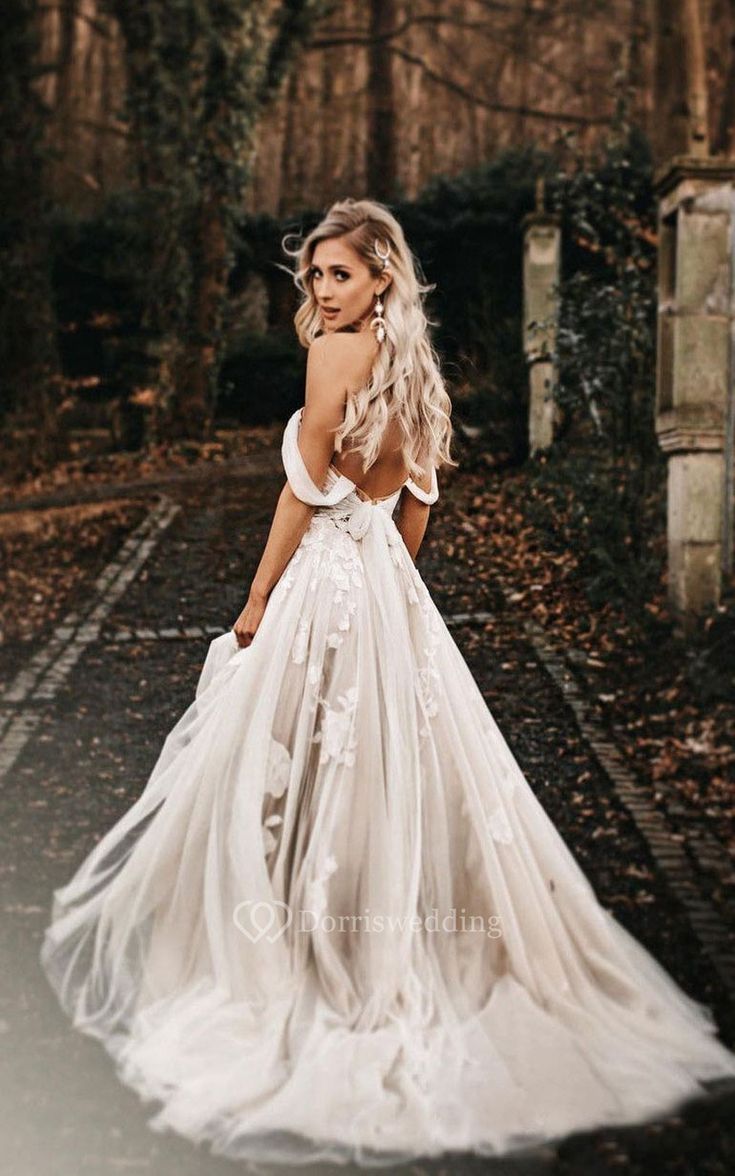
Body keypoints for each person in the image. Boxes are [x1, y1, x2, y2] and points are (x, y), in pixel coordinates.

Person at [40, 197, 735, 1170]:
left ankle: (304, 952)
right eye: (314, 275)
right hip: (382, 586)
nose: (321, 292)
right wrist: (393, 588)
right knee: (386, 768)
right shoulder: (415, 370)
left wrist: (255, 599)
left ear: (380, 282)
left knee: (296, 757)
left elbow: (302, 487)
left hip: (324, 577)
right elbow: (415, 505)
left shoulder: (333, 357)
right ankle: (372, 940)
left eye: (339, 275)